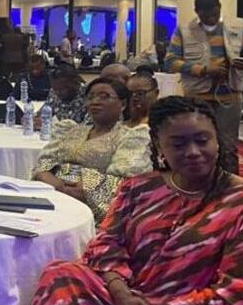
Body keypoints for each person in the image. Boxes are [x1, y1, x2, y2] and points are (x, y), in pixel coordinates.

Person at [24, 96, 243, 305]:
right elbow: (107, 243)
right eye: (178, 144)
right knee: (60, 275)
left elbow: (240, 294)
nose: (193, 152)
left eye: (202, 140)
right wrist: (120, 292)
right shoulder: (139, 187)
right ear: (159, 146)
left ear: (217, 141)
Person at [31, 78, 152, 222]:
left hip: (91, 209)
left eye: (104, 96)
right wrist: (49, 179)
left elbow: (124, 181)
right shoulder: (70, 130)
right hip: (52, 194)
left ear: (123, 104)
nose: (95, 101)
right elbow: (44, 162)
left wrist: (83, 187)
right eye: (91, 97)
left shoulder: (130, 137)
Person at [164, 0, 243, 175]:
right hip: (197, 96)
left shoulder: (238, 26)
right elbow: (170, 62)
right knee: (197, 145)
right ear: (196, 12)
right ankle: (199, 184)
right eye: (205, 16)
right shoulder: (184, 30)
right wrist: (203, 70)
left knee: (228, 147)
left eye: (214, 14)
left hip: (230, 96)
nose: (210, 19)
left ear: (220, 8)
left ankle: (230, 187)